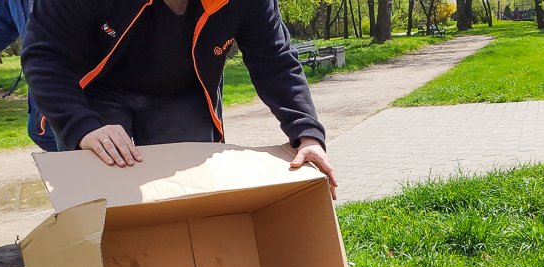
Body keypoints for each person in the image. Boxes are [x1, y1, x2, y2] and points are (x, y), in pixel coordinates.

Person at [22, 0, 339, 199]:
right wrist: (81, 127)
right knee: (99, 199)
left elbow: (275, 60)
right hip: (96, 92)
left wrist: (307, 133)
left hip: (183, 93)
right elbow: (44, 57)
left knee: (191, 197)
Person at [0, 1, 57, 151]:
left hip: (74, 68)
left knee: (67, 129)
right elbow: (5, 21)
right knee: (40, 131)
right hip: (40, 69)